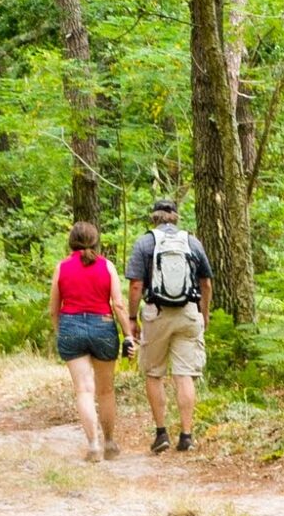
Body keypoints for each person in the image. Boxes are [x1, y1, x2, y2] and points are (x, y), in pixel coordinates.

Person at [124, 198, 213, 453]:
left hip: (157, 313)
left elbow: (136, 285)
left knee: (154, 373)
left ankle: (161, 433)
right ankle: (186, 435)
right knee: (184, 375)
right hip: (188, 313)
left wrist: (132, 318)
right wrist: (203, 313)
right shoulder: (192, 242)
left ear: (154, 216)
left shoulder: (145, 242)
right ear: (175, 216)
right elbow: (206, 282)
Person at [47, 220, 134, 463]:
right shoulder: (107, 266)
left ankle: (93, 445)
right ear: (96, 241)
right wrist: (128, 334)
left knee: (84, 390)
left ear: (71, 242)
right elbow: (118, 303)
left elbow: (54, 308)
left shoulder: (61, 267)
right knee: (106, 391)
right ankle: (109, 442)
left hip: (71, 326)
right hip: (103, 326)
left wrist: (60, 330)